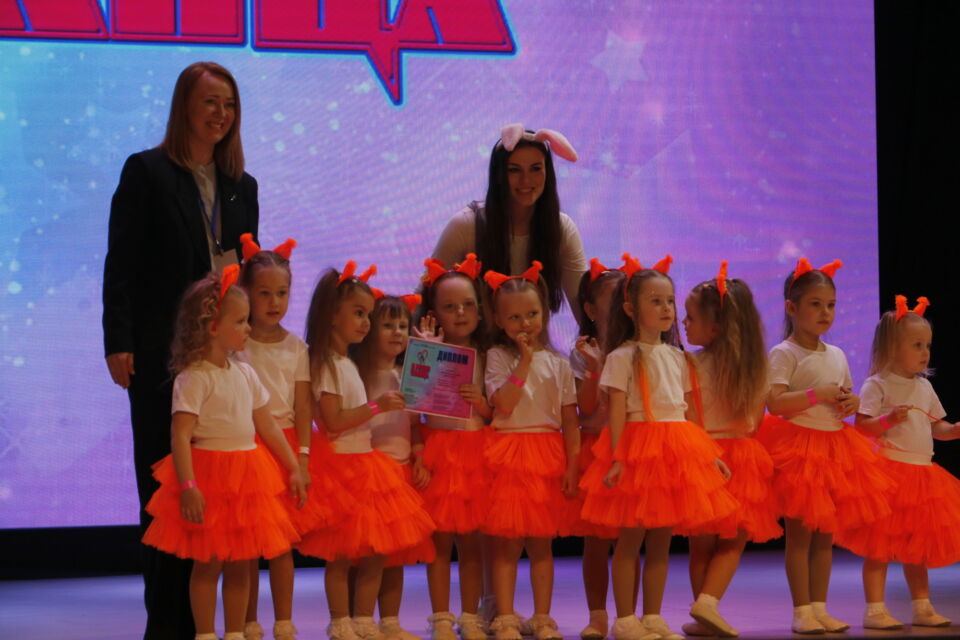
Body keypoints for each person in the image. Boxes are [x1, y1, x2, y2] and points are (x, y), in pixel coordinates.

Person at [102, 61, 258, 640]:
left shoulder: (243, 186)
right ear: (184, 107)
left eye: (230, 104)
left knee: (219, 496)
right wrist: (118, 340)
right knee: (166, 493)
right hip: (161, 356)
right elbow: (121, 263)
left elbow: (245, 272)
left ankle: (213, 629)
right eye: (210, 102)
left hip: (221, 363)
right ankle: (167, 627)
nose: (221, 114)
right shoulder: (147, 172)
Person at [578, 254, 737, 640]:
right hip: (639, 448)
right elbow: (617, 411)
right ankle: (625, 619)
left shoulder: (678, 357)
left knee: (662, 542)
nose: (667, 309)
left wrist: (709, 456)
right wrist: (618, 458)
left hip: (675, 449)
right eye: (655, 301)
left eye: (669, 301)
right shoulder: (621, 356)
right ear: (631, 309)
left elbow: (689, 412)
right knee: (630, 539)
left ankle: (652, 617)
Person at [141, 267, 305, 640]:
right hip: (210, 477)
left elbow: (267, 426)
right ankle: (205, 634)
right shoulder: (194, 377)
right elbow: (180, 435)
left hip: (247, 476)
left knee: (241, 563)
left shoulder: (245, 373)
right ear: (213, 327)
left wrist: (293, 466)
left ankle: (235, 633)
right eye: (241, 321)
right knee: (208, 564)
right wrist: (188, 486)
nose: (248, 328)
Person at [296, 262, 434, 640]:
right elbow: (333, 421)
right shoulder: (327, 363)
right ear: (332, 314)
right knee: (341, 554)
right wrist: (377, 406)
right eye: (359, 314)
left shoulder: (346, 363)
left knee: (377, 551)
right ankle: (341, 620)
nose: (365, 323)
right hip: (341, 465)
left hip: (363, 463)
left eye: (367, 315)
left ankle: (365, 620)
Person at [758, 258, 893, 634]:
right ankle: (802, 611)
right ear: (792, 308)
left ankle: (820, 607)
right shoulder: (784, 353)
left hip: (835, 448)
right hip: (800, 449)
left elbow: (844, 395)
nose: (825, 313)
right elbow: (775, 403)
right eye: (815, 304)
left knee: (824, 537)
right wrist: (817, 394)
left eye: (831, 305)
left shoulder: (835, 354)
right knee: (800, 536)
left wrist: (851, 402)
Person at [836, 296, 960, 630]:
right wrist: (888, 420)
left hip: (922, 476)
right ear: (892, 348)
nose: (925, 352)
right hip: (888, 474)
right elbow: (863, 427)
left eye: (928, 345)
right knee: (879, 546)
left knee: (916, 549)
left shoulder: (925, 387)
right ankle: (875, 609)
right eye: (917, 345)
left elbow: (936, 427)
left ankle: (922, 606)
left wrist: (953, 431)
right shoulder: (877, 384)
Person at [679, 262, 781, 637]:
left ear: (717, 326)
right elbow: (753, 423)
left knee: (700, 545)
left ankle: (702, 610)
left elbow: (688, 416)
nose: (683, 323)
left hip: (703, 453)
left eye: (690, 318)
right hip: (741, 456)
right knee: (733, 541)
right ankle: (708, 604)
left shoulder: (689, 364)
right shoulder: (755, 368)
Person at [481, 261, 580, 640]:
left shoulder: (559, 363)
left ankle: (542, 617)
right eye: (515, 317)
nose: (525, 323)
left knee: (541, 546)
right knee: (507, 546)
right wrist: (523, 361)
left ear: (544, 313)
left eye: (532, 314)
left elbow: (570, 420)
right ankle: (505, 617)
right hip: (509, 452)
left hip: (546, 454)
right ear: (499, 320)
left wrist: (572, 466)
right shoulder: (497, 356)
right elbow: (504, 404)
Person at [234, 235, 325, 640]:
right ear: (246, 293)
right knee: (248, 543)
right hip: (248, 446)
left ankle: (284, 621)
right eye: (264, 293)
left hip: (285, 447)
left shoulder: (296, 347)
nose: (274, 302)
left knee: (281, 543)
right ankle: (248, 621)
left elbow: (303, 407)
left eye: (282, 293)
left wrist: (301, 457)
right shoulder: (237, 346)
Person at [431, 124, 586, 319]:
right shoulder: (466, 225)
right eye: (514, 170)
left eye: (536, 169)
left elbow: (584, 308)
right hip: (475, 339)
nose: (526, 180)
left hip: (534, 339)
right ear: (498, 175)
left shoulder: (562, 228)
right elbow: (428, 295)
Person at [415, 255, 492, 640]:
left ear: (479, 309)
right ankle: (441, 617)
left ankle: (471, 615)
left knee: (472, 543)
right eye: (449, 306)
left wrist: (482, 403)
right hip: (439, 452)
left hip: (476, 452)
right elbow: (415, 407)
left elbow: (495, 413)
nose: (460, 313)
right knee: (440, 542)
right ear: (434, 313)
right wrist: (428, 354)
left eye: (467, 305)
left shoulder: (489, 353)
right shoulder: (424, 349)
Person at [351, 290, 435, 640]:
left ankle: (389, 622)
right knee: (374, 554)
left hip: (400, 473)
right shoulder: (361, 374)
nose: (397, 332)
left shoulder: (406, 375)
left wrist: (420, 457)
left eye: (402, 325)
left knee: (396, 555)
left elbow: (414, 424)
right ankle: (361, 619)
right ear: (370, 329)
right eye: (388, 325)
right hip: (372, 474)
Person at [568, 259, 624, 640]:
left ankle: (630, 614)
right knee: (597, 541)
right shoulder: (583, 351)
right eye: (613, 298)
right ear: (590, 309)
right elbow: (586, 407)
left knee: (630, 539)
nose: (622, 305)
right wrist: (593, 368)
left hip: (629, 448)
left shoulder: (636, 349)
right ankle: (598, 615)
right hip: (595, 449)